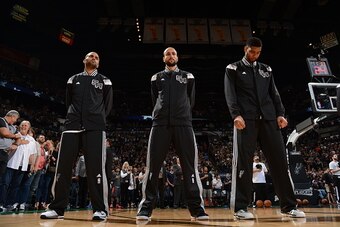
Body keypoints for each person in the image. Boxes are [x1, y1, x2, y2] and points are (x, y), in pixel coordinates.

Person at [224, 37, 305, 219]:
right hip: (246, 120)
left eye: (258, 52)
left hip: (269, 119)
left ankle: (289, 206)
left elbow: (274, 93)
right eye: (251, 51)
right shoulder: (233, 68)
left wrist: (280, 114)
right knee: (243, 163)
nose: (254, 55)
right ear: (245, 49)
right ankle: (241, 208)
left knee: (279, 163)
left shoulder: (266, 69)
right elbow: (230, 94)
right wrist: (235, 114)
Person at [136, 47, 208, 221]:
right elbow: (155, 99)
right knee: (152, 167)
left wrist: (182, 114)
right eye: (167, 54)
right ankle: (146, 208)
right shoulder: (156, 77)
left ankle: (197, 209)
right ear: (163, 58)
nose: (171, 56)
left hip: (183, 123)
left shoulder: (188, 76)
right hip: (160, 124)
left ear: (178, 57)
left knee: (190, 167)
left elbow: (191, 99)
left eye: (173, 53)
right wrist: (161, 114)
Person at [40, 51, 113, 221]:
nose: (93, 58)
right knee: (63, 167)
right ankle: (57, 208)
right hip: (72, 126)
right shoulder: (73, 79)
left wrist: (96, 118)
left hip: (95, 127)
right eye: (91, 56)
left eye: (96, 57)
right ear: (84, 60)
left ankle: (100, 209)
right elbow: (68, 101)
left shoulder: (105, 80)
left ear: (99, 63)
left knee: (96, 169)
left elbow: (107, 106)